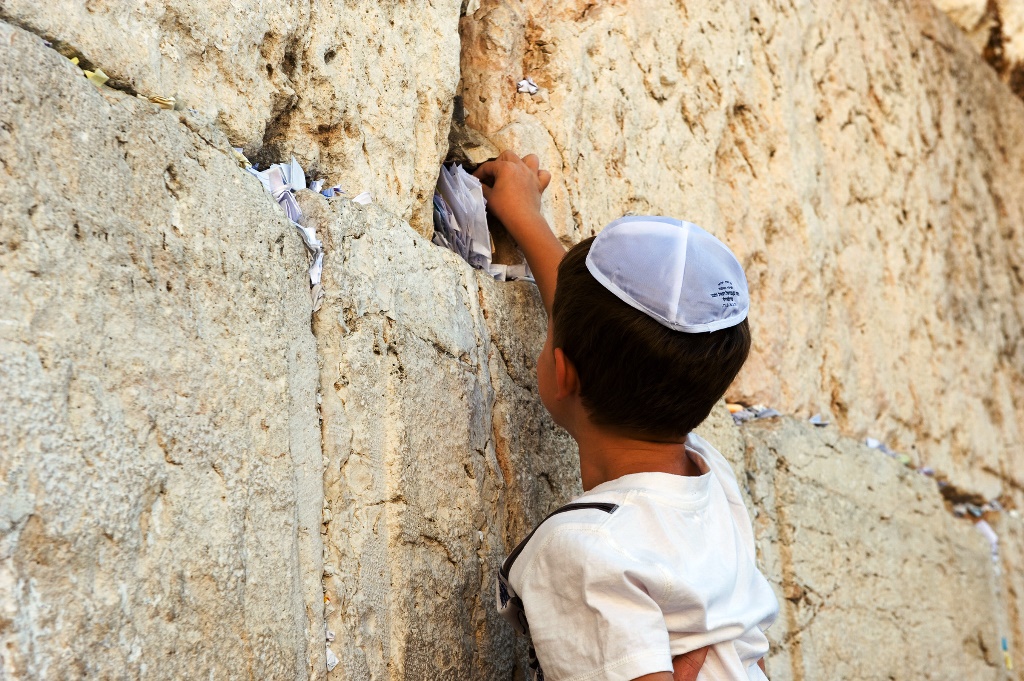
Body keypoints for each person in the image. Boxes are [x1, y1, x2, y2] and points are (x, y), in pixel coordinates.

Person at [473, 151, 779, 681]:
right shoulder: (710, 479)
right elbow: (595, 333)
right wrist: (528, 220)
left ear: (562, 370)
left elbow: (595, 334)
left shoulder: (585, 552)